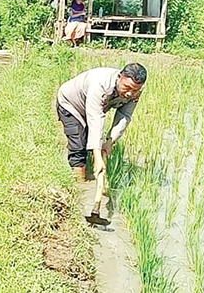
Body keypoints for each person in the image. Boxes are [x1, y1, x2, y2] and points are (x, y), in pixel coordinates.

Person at [56, 63, 147, 223]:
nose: (129, 93)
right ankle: (80, 185)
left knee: (92, 142)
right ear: (120, 77)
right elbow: (96, 119)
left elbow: (125, 116)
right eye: (127, 87)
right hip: (71, 104)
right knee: (79, 147)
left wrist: (109, 143)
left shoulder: (134, 92)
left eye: (135, 90)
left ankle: (90, 195)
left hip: (93, 109)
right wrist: (97, 156)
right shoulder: (100, 84)